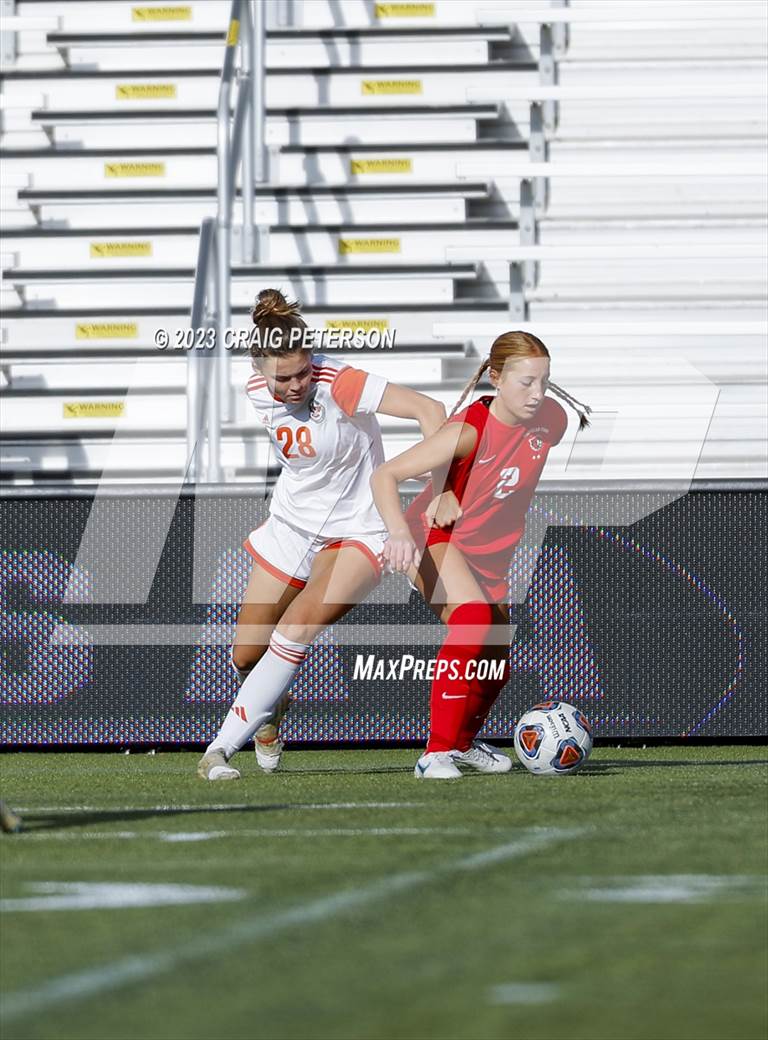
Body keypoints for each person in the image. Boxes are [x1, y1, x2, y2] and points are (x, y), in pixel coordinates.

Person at [198, 289, 447, 780]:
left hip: (359, 530)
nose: (294, 386)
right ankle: (270, 714)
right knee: (246, 654)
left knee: (296, 628)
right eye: (282, 378)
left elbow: (430, 409)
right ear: (260, 370)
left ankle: (217, 752)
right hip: (291, 527)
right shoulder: (253, 389)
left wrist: (439, 485)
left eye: (303, 372)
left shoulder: (342, 383)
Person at [370, 330, 591, 779]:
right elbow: (385, 476)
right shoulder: (468, 431)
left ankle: (464, 744)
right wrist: (399, 531)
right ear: (495, 378)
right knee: (473, 623)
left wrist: (448, 486)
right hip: (434, 536)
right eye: (525, 382)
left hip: (491, 555)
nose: (538, 393)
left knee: (496, 660)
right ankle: (434, 754)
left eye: (544, 381)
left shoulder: (553, 420)